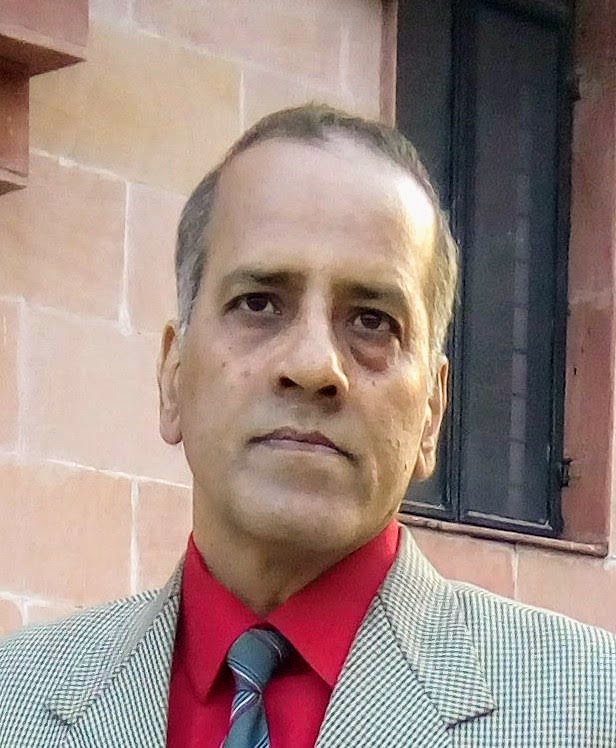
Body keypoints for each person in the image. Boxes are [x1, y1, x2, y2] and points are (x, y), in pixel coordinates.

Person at [0, 104, 614, 748]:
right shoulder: (14, 698)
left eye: (372, 321)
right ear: (173, 377)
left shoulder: (594, 709)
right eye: (259, 303)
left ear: (432, 412)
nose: (314, 365)